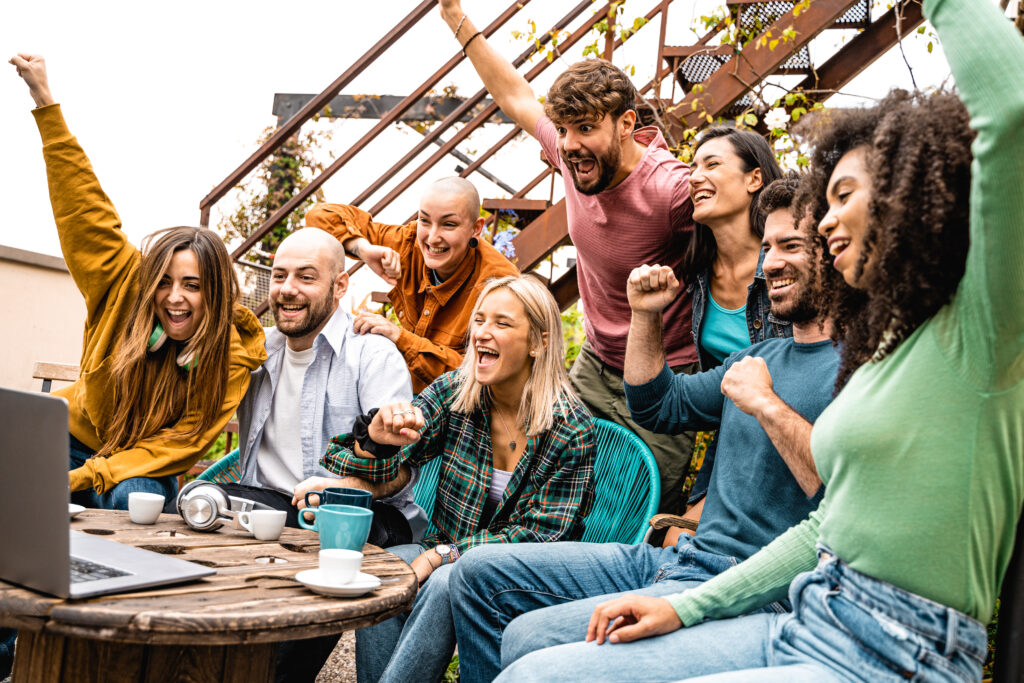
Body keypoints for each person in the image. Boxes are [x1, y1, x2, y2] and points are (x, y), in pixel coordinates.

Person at [519, 0, 1022, 680]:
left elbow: (1013, 112)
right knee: (539, 665)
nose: (826, 223)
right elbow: (826, 532)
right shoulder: (884, 352)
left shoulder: (982, 329)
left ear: (911, 196)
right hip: (813, 611)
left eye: (843, 196)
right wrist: (688, 608)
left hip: (899, 647)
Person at [448, 176, 845, 683]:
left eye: (791, 246)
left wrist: (767, 405)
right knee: (478, 574)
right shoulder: (757, 357)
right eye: (767, 247)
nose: (770, 263)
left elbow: (843, 496)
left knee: (530, 639)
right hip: (675, 557)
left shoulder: (858, 370)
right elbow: (657, 406)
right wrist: (644, 316)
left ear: (835, 249)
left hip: (748, 586)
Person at [438, 0, 698, 513]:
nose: (571, 144)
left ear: (626, 124)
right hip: (595, 367)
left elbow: (749, 209)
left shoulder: (670, 190)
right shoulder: (569, 153)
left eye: (585, 129)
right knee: (547, 496)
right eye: (564, 129)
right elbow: (514, 95)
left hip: (664, 377)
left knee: (628, 514)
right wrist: (455, 18)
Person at [9, 54, 267, 511]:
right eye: (164, 282)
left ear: (216, 294)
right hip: (71, 439)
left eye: (192, 285)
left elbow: (180, 445)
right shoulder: (124, 285)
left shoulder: (230, 356)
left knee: (136, 500)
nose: (174, 297)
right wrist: (45, 102)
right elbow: (84, 210)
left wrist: (87, 477)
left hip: (138, 468)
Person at [320, 275, 595, 683]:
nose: (482, 332)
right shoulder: (456, 393)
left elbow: (540, 537)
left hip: (523, 576)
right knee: (385, 569)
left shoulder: (572, 429)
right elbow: (381, 465)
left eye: (501, 323)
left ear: (538, 342)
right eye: (479, 319)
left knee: (451, 579)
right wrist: (376, 441)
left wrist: (442, 555)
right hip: (443, 555)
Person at [220, 227, 421, 543]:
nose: (288, 289)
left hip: (365, 515)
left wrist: (347, 488)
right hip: (268, 507)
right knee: (199, 501)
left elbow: (403, 472)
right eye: (279, 276)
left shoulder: (372, 354)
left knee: (222, 502)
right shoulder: (254, 352)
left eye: (306, 277)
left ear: (340, 285)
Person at [670, 127, 789, 537]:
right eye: (692, 167)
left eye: (712, 164)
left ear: (754, 179)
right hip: (734, 435)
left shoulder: (788, 267)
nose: (695, 176)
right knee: (677, 537)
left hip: (790, 430)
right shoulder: (698, 276)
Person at [304, 177, 518, 393]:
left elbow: (480, 372)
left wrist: (400, 338)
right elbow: (320, 216)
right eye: (424, 221)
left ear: (476, 228)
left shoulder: (499, 284)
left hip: (461, 412)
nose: (432, 238)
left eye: (449, 224)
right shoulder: (408, 241)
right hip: (401, 397)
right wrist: (363, 249)